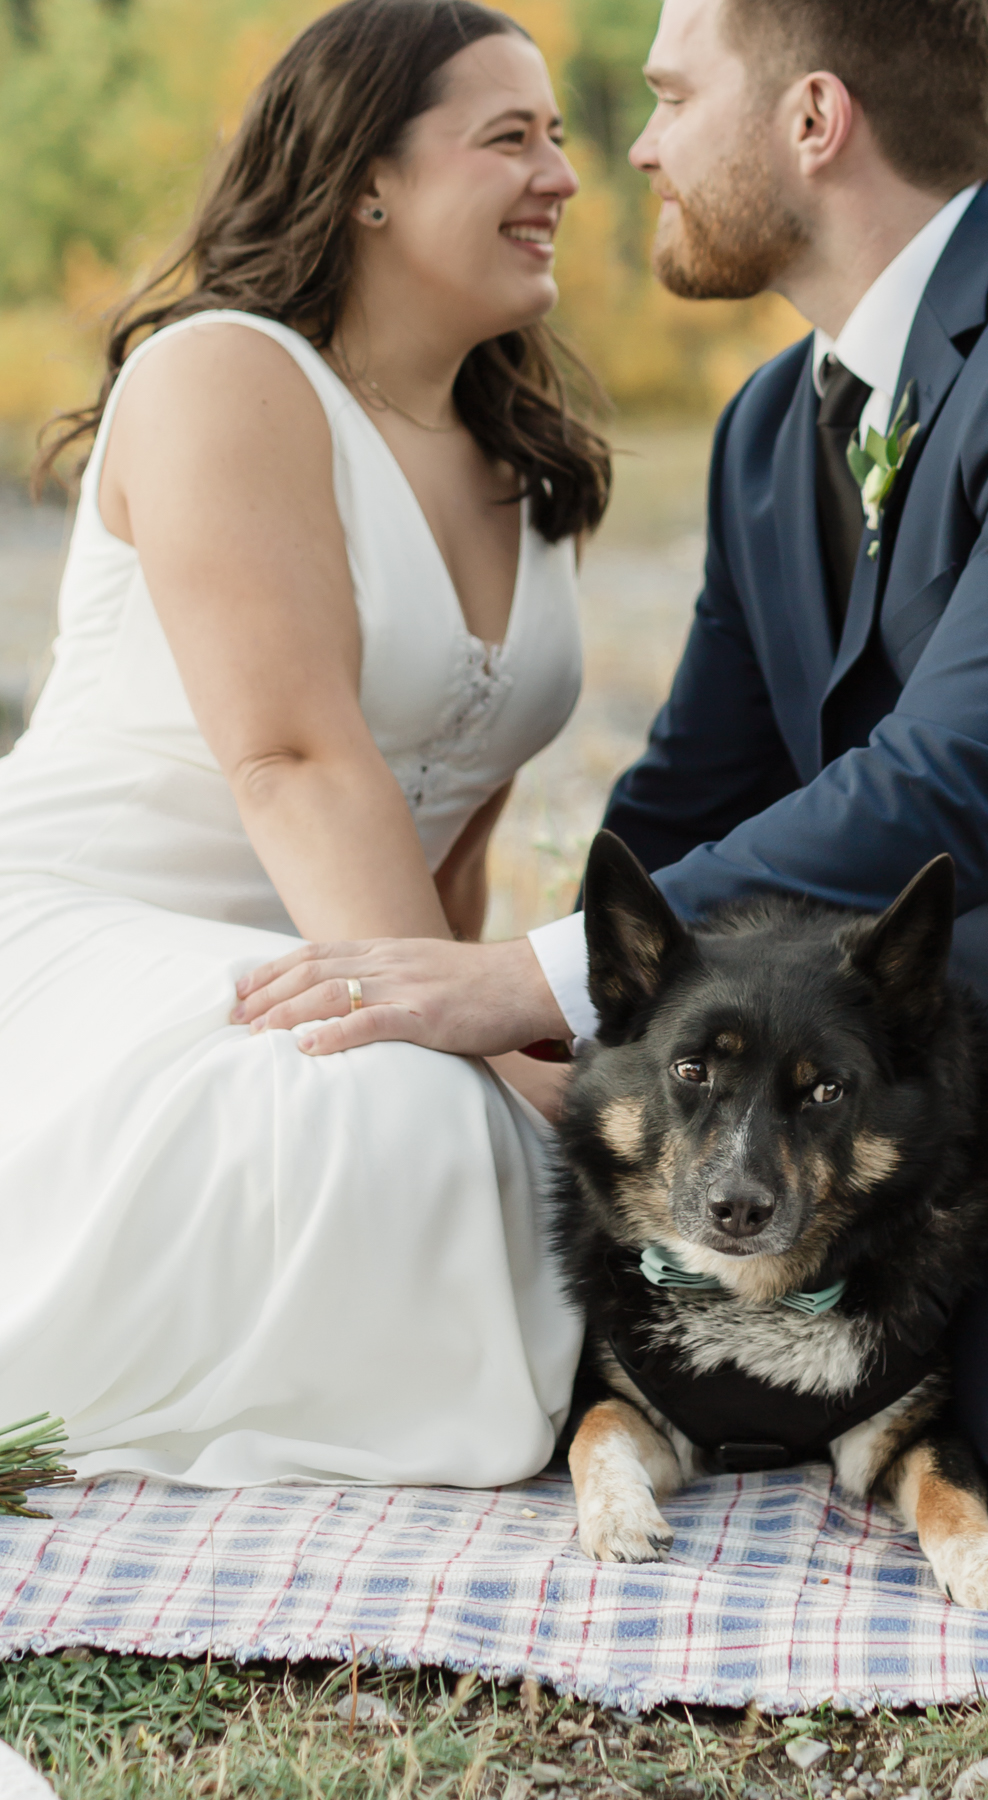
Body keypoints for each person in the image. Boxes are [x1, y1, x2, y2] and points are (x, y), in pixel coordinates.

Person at [243, 0, 988, 1555]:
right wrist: (588, 1026)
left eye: (672, 97)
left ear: (813, 120)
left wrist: (508, 980)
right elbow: (684, 808)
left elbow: (952, 787)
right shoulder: (766, 436)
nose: (642, 147)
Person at [0, 0, 607, 1487]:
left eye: (563, 138)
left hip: (335, 957)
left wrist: (505, 1028)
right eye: (508, 138)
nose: (563, 178)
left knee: (523, 1131)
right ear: (368, 179)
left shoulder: (528, 466)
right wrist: (479, 1046)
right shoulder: (225, 376)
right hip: (80, 933)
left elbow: (450, 834)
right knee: (401, 1117)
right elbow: (294, 759)